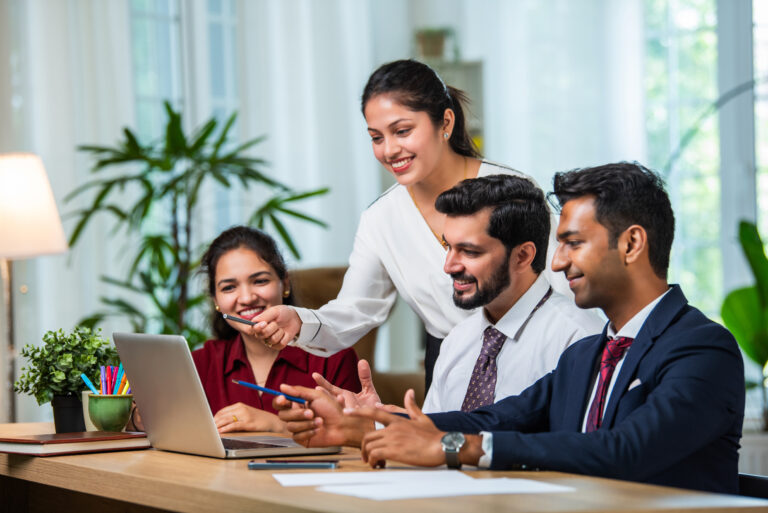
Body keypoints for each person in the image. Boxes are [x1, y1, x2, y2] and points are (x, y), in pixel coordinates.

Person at [278, 163, 745, 494]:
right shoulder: (589, 357)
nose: (557, 262)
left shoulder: (702, 348)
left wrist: (453, 448)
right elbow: (496, 418)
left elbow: (625, 450)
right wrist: (366, 424)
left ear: (632, 243)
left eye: (573, 244)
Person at [250, 59, 561, 390]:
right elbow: (355, 311)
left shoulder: (511, 189)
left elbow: (562, 284)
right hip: (450, 371)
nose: (389, 150)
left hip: (535, 359)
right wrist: (299, 320)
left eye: (402, 131)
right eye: (376, 137)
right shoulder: (381, 219)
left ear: (446, 121)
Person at [191, 225, 360, 434]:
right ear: (216, 300)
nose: (247, 298)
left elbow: (356, 439)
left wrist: (277, 426)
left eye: (260, 281)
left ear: (285, 283)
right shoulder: (198, 365)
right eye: (229, 287)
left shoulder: (335, 359)